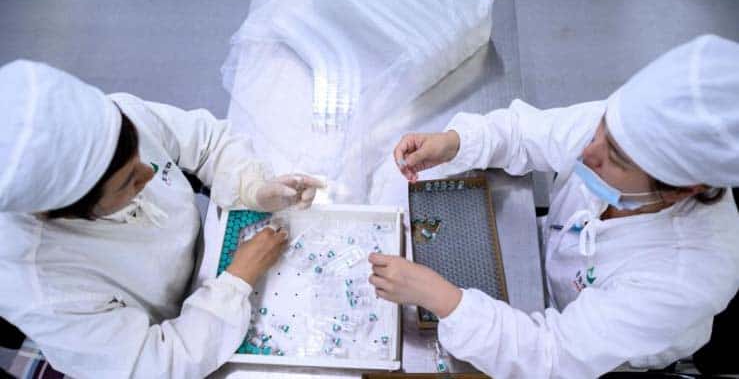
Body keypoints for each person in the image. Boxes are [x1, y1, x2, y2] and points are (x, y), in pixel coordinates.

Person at [369, 34, 739, 378]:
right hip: (542, 270)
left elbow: (553, 357)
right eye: (601, 129)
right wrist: (457, 142)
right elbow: (526, 133)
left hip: (593, 360)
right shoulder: (623, 130)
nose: (588, 152)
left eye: (615, 159)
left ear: (680, 191)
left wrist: (440, 298)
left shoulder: (683, 279)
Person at [0, 60, 323, 378]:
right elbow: (154, 365)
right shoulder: (43, 287)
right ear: (67, 211)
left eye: (140, 157)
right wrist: (237, 280)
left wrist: (251, 186)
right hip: (170, 329)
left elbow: (209, 142)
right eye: (129, 182)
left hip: (203, 269)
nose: (150, 173)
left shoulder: (115, 121)